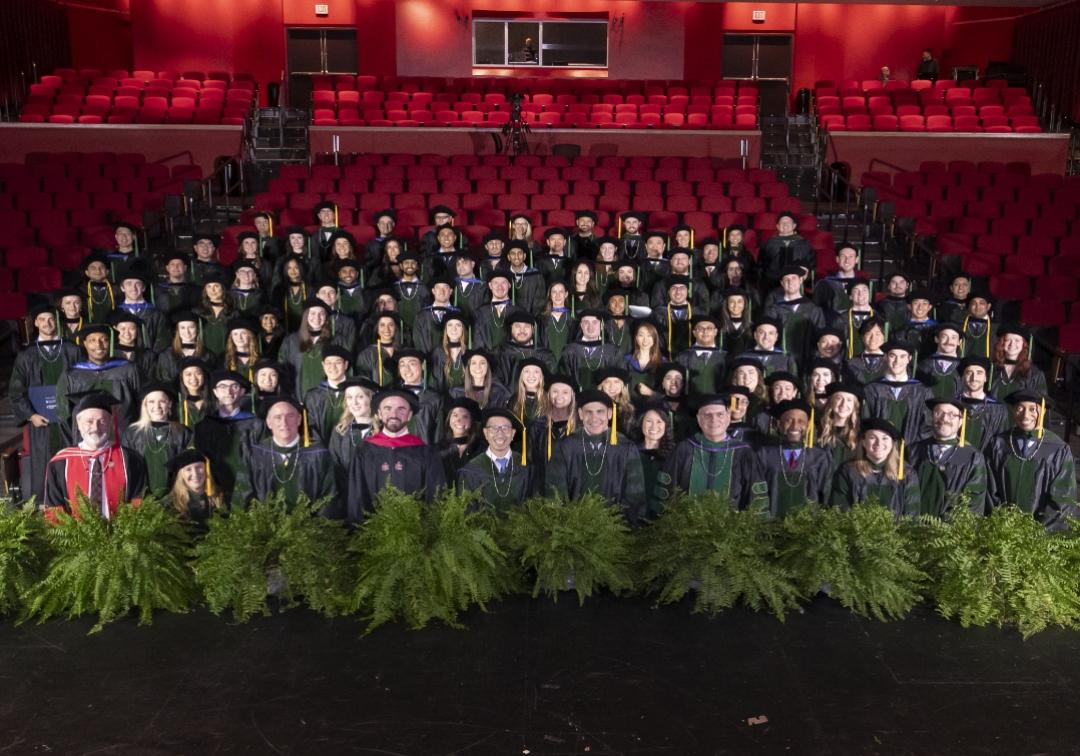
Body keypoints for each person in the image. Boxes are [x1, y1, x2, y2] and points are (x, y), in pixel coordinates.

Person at [9, 304, 79, 502]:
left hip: (70, 421)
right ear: (36, 323)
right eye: (43, 319)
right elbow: (15, 391)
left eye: (51, 319)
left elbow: (84, 381)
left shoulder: (72, 350)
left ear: (57, 321)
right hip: (41, 423)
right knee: (44, 466)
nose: (48, 323)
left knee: (72, 462)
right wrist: (31, 415)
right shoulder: (27, 356)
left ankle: (77, 505)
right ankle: (46, 508)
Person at [546, 390, 646, 522]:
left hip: (615, 530)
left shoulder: (626, 448)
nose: (594, 418)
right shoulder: (565, 447)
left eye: (600, 412)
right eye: (589, 412)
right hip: (572, 529)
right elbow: (556, 493)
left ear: (610, 414)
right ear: (581, 414)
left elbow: (634, 496)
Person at [348, 389, 447, 523]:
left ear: (410, 415)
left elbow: (435, 499)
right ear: (379, 414)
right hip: (372, 534)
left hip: (416, 535)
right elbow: (357, 497)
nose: (393, 414)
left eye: (401, 409)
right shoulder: (364, 450)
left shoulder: (426, 453)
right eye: (387, 409)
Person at [43, 392, 147, 516]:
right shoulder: (60, 463)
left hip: (121, 534)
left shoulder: (131, 460)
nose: (96, 428)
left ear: (110, 424)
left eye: (102, 421)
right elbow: (55, 510)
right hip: (75, 534)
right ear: (79, 424)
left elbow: (139, 503)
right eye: (89, 421)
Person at [986, 391, 1079, 530]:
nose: (1025, 415)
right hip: (1001, 533)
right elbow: (989, 488)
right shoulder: (998, 444)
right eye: (1020, 408)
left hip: (1040, 539)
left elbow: (1062, 499)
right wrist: (1001, 524)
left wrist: (1038, 535)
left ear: (1043, 411)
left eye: (1032, 409)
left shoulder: (1058, 449)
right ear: (1013, 411)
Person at [657, 394, 768, 508]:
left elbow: (755, 499)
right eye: (707, 415)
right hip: (686, 523)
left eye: (720, 414)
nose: (713, 419)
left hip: (731, 524)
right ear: (699, 419)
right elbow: (666, 493)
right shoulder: (683, 449)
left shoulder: (744, 453)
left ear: (728, 417)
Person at [247, 396, 341, 517]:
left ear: (299, 419)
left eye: (290, 416)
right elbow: (246, 496)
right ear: (269, 423)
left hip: (310, 531)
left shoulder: (318, 454)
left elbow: (329, 497)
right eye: (277, 417)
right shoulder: (255, 454)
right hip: (265, 530)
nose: (284, 422)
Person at [55, 324, 141, 441]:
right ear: (85, 343)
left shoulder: (128, 370)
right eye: (92, 340)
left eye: (104, 340)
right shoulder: (71, 375)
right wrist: (75, 443)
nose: (98, 345)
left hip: (124, 439)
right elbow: (63, 414)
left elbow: (141, 405)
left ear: (110, 342)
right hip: (86, 442)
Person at [910, 398, 988, 517]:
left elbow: (974, 503)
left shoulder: (973, 457)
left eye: (952, 415)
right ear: (931, 418)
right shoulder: (912, 451)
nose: (944, 419)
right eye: (939, 413)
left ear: (961, 421)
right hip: (911, 529)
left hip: (950, 532)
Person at [193, 370, 261, 504]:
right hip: (215, 490)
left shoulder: (256, 424)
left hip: (250, 488)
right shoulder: (204, 426)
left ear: (242, 392)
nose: (228, 392)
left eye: (234, 387)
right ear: (215, 392)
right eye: (222, 387)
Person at [756, 400, 833, 517]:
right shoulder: (764, 454)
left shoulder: (819, 457)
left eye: (801, 421)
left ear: (808, 425)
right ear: (779, 424)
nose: (795, 426)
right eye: (788, 420)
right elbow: (757, 493)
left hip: (807, 526)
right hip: (770, 526)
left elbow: (825, 494)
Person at [828, 419, 920, 516]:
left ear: (892, 443)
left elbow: (911, 517)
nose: (879, 443)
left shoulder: (907, 474)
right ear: (863, 442)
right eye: (872, 437)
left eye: (885, 438)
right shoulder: (847, 472)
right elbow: (838, 512)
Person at [121, 383, 194, 498]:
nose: (157, 406)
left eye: (162, 401)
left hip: (175, 497)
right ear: (145, 405)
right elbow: (126, 468)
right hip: (141, 499)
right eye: (151, 402)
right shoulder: (132, 433)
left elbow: (189, 468)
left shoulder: (183, 432)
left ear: (169, 404)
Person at [456, 408, 537, 511]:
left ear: (513, 433)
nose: (500, 433)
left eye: (505, 428)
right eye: (494, 428)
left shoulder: (526, 468)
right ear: (485, 433)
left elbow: (534, 510)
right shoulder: (470, 471)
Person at [862, 340, 931, 441]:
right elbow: (866, 421)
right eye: (892, 356)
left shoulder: (922, 391)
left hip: (912, 450)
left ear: (909, 359)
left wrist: (913, 449)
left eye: (903, 356)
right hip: (880, 449)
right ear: (885, 357)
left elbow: (928, 424)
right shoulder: (872, 390)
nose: (897, 361)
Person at [956, 355, 1008, 451]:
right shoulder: (951, 406)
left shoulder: (998, 410)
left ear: (985, 378)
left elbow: (1000, 446)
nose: (974, 377)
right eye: (969, 373)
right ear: (962, 377)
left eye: (979, 373)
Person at [163, 449, 225, 528]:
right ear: (181, 476)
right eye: (188, 469)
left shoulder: (220, 497)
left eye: (199, 467)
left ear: (206, 469)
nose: (195, 474)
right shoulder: (170, 504)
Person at [757, 213, 814, 290]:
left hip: (796, 284)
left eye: (788, 222)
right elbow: (761, 266)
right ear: (777, 226)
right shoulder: (768, 244)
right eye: (782, 222)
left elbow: (811, 264)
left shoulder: (804, 244)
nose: (785, 224)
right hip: (772, 284)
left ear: (794, 226)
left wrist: (805, 276)